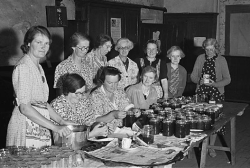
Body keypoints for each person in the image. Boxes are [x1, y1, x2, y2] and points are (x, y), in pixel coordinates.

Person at [6, 26, 73, 148]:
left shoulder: (39, 67)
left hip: (39, 126)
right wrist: (55, 127)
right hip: (25, 127)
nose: (43, 47)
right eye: (39, 42)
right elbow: (25, 108)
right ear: (28, 43)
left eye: (46, 43)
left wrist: (61, 121)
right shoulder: (24, 67)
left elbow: (43, 103)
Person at [191, 38, 231, 157]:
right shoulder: (200, 58)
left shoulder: (221, 60)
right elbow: (193, 77)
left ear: (216, 49)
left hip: (216, 93)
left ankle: (210, 147)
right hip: (201, 93)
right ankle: (199, 144)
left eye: (211, 49)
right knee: (199, 119)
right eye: (207, 49)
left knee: (215, 121)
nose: (209, 52)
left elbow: (228, 79)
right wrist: (200, 80)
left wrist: (215, 84)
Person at [51, 73, 108, 139]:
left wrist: (100, 126)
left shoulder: (83, 102)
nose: (80, 96)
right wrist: (92, 134)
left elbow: (90, 121)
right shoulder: (57, 105)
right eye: (77, 93)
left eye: (82, 92)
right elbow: (65, 137)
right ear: (67, 91)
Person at [90, 66, 135, 134]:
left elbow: (128, 107)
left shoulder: (120, 91)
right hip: (105, 135)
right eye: (110, 83)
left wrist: (133, 111)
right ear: (102, 81)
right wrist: (112, 115)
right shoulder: (95, 96)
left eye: (116, 82)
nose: (113, 86)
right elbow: (95, 120)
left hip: (123, 131)